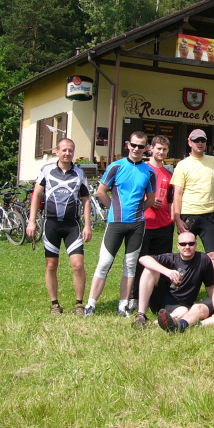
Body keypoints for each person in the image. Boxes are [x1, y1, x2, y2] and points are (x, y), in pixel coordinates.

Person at [85, 131, 155, 317]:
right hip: (115, 223)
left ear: (146, 148)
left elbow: (150, 199)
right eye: (134, 145)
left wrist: (137, 212)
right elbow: (101, 192)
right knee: (104, 263)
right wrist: (114, 210)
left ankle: (123, 305)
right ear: (128, 145)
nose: (136, 149)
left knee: (130, 265)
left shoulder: (149, 172)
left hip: (137, 225)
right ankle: (91, 304)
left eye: (141, 146)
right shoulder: (116, 166)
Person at [27, 138, 93, 316]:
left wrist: (87, 225)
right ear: (57, 151)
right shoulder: (46, 170)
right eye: (64, 150)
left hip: (72, 225)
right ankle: (55, 304)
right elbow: (36, 195)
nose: (67, 153)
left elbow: (86, 200)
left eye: (70, 150)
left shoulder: (79, 173)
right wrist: (31, 221)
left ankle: (79, 304)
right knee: (51, 265)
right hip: (51, 224)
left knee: (78, 265)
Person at [134, 231, 214, 329]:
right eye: (183, 244)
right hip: (159, 299)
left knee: (184, 311)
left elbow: (210, 286)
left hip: (180, 305)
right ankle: (141, 315)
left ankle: (159, 322)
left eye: (191, 243)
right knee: (149, 270)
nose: (187, 247)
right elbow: (143, 259)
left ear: (196, 244)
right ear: (178, 246)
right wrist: (167, 272)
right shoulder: (171, 258)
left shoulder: (203, 259)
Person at [129, 135, 174, 308]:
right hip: (144, 223)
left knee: (162, 263)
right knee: (140, 262)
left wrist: (172, 220)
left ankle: (158, 297)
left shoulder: (169, 174)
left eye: (164, 149)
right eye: (158, 148)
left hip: (164, 225)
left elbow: (170, 200)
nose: (161, 152)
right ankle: (136, 297)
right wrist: (148, 200)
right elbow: (134, 193)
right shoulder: (142, 169)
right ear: (151, 149)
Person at [171, 129, 214, 270]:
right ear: (189, 142)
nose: (200, 143)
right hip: (188, 215)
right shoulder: (183, 165)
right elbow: (177, 193)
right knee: (186, 253)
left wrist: (212, 198)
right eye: (196, 141)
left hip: (209, 215)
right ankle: (182, 281)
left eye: (203, 140)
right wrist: (178, 219)